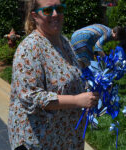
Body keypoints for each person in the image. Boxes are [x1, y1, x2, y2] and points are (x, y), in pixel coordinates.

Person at [8, 0, 99, 150]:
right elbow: (30, 97)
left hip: (66, 137)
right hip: (39, 141)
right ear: (35, 16)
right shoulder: (29, 48)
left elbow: (74, 77)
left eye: (59, 8)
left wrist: (95, 91)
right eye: (48, 11)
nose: (56, 14)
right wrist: (77, 100)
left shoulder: (64, 42)